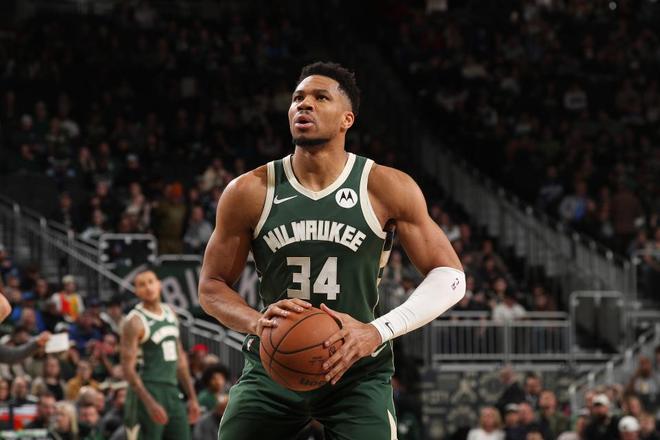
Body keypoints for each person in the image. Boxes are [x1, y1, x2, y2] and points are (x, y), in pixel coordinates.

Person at [198, 61, 465, 438]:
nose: (304, 104)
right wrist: (256, 323)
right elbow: (211, 286)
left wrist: (377, 331)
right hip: (274, 367)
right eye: (297, 98)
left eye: (320, 97)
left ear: (346, 119)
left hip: (357, 371)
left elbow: (451, 277)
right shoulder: (249, 191)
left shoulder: (384, 186)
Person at [121, 269, 200, 439]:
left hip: (172, 389)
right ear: (136, 291)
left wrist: (192, 397)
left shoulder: (171, 313)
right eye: (142, 285)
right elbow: (127, 369)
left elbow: (181, 360)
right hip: (147, 389)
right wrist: (149, 403)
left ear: (159, 284)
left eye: (151, 282)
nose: (148, 287)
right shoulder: (134, 321)